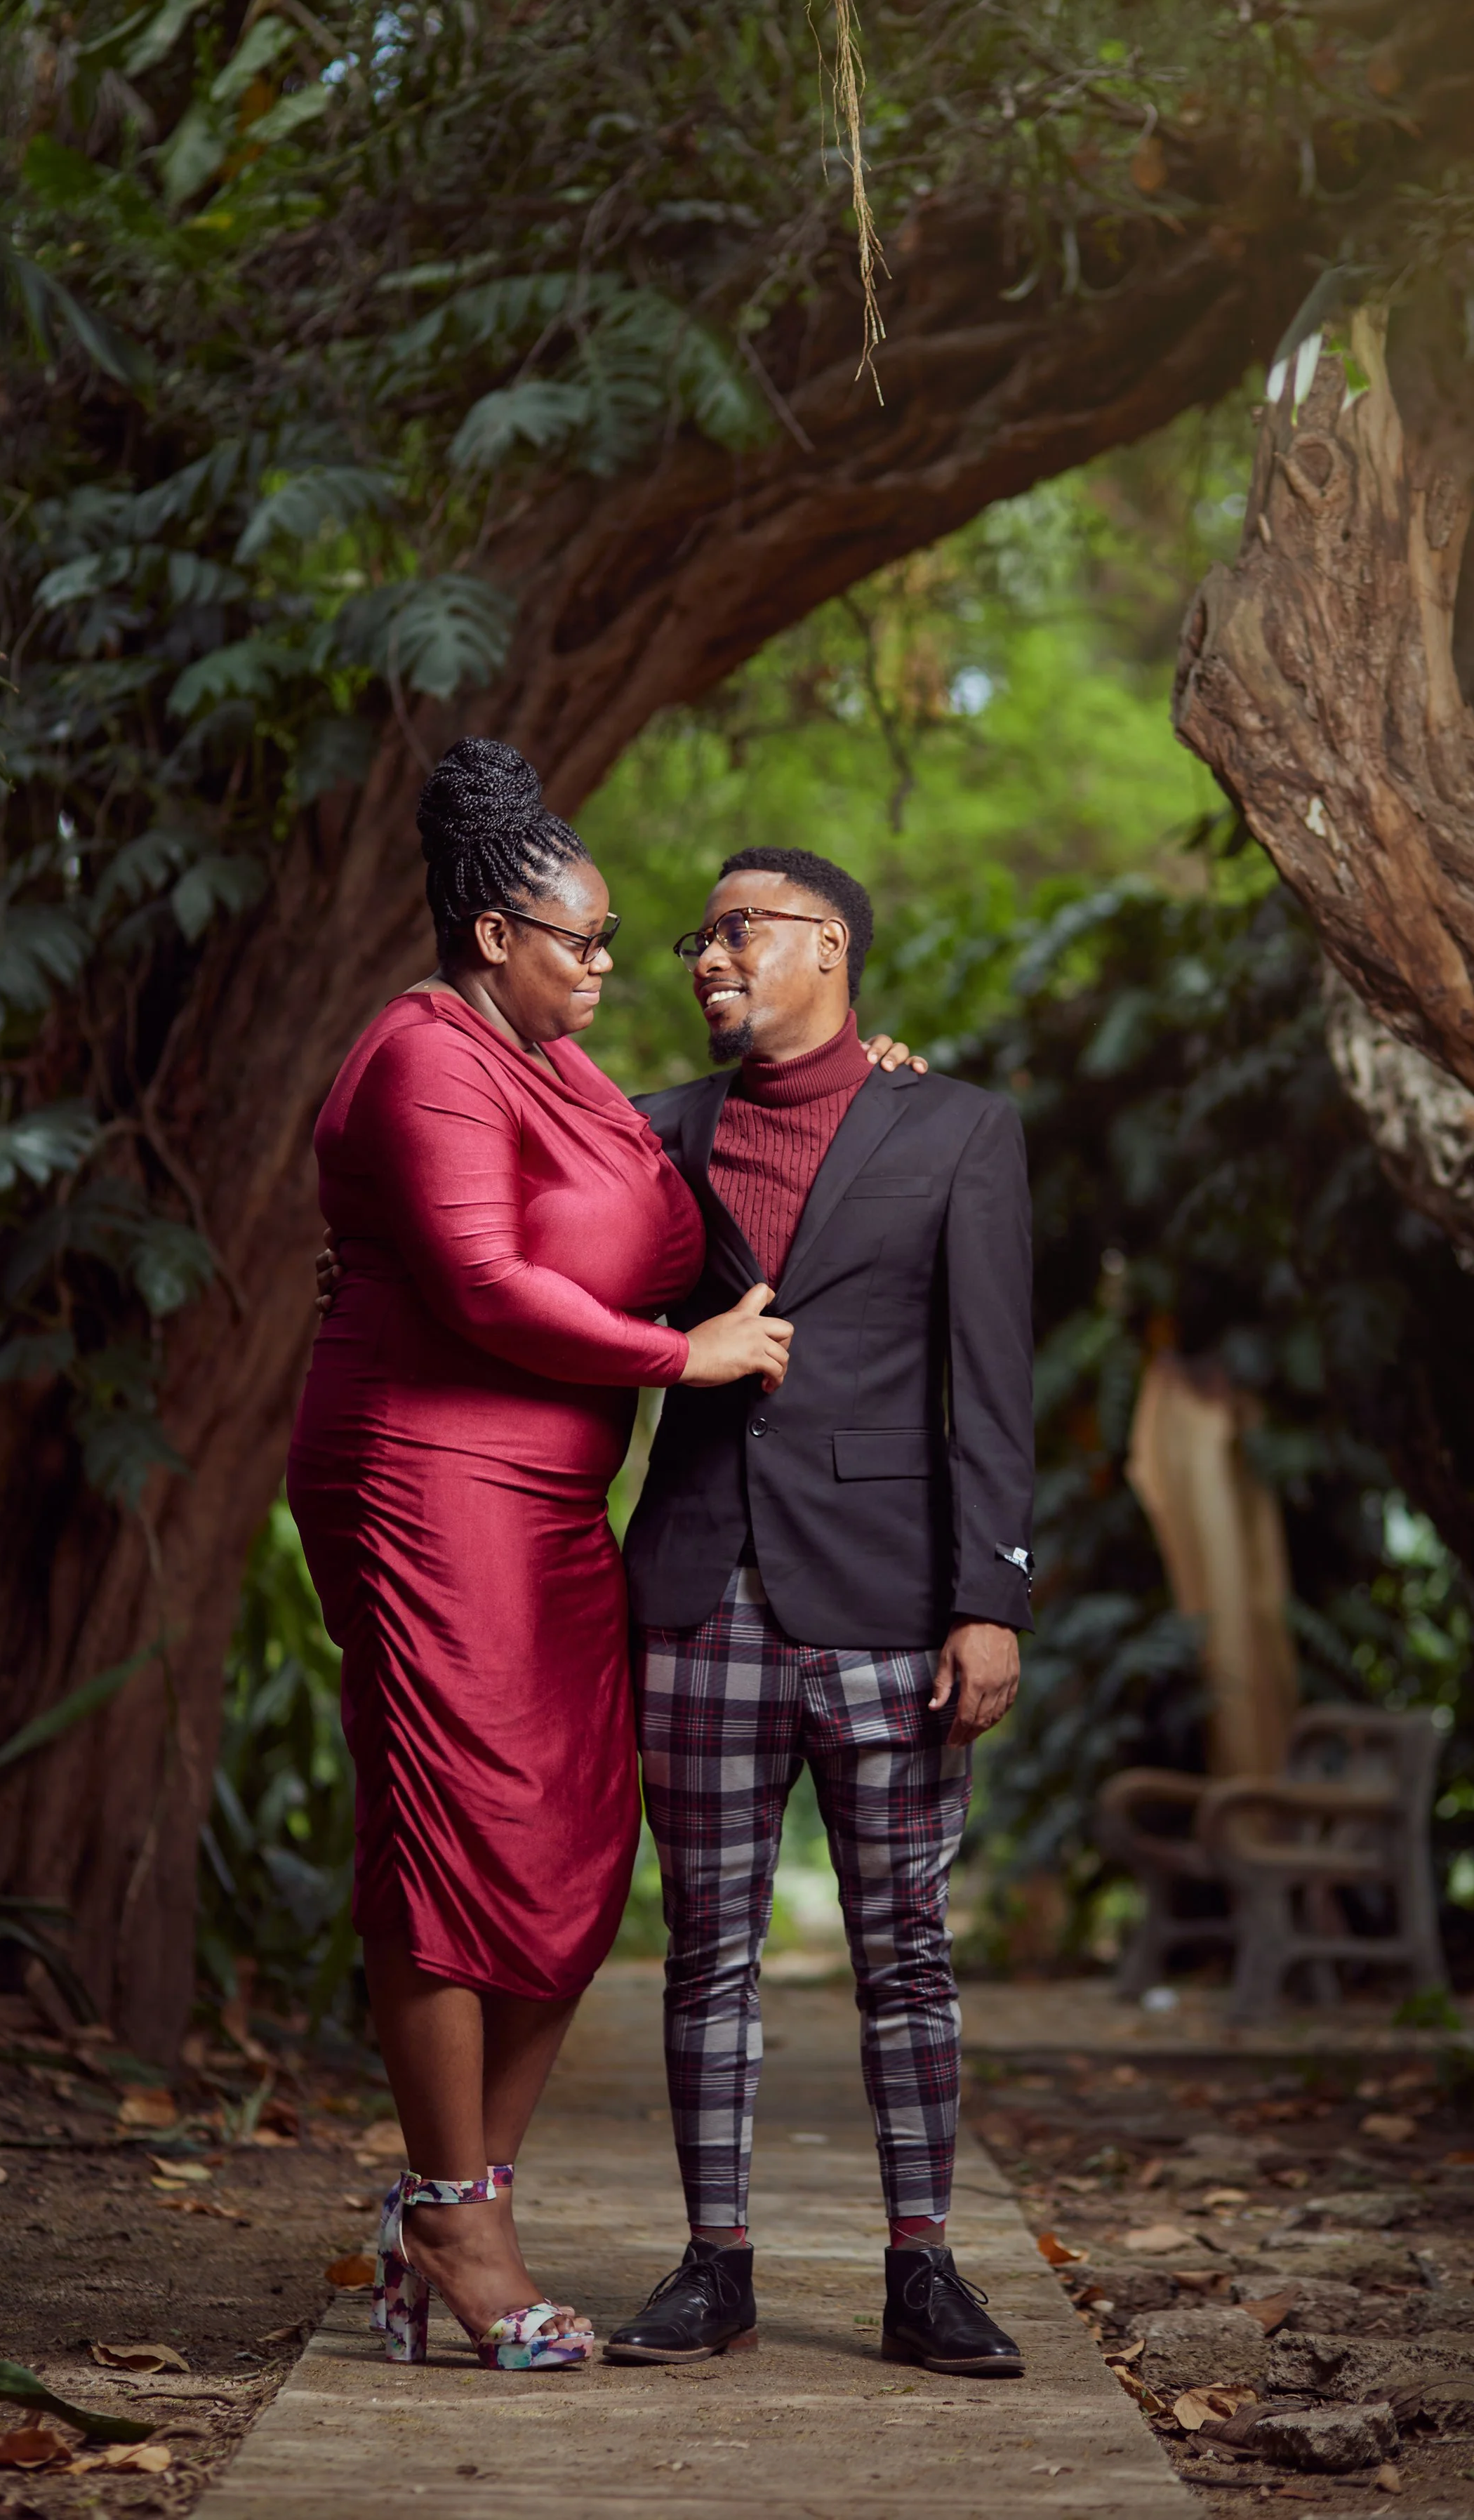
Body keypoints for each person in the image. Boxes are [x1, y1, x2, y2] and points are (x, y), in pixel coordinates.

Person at [293, 750, 916, 2373]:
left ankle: (461, 2195)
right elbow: (489, 1285)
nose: (611, 967)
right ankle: (457, 2211)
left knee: (576, 1836)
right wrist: (680, 1363)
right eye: (582, 941)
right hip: (423, 1481)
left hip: (557, 1510)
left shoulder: (561, 1066)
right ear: (495, 932)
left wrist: (859, 1084)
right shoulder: (421, 1058)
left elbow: (683, 1181)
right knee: (448, 1830)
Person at [604, 847, 1034, 2380]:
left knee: (904, 1949)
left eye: (738, 929)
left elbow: (990, 1385)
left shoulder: (960, 1130)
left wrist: (987, 1602)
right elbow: (520, 1245)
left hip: (890, 1604)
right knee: (705, 1946)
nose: (706, 955)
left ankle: (920, 2268)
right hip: (696, 1591)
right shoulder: (650, 1128)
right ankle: (712, 2265)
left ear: (828, 945)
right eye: (695, 937)